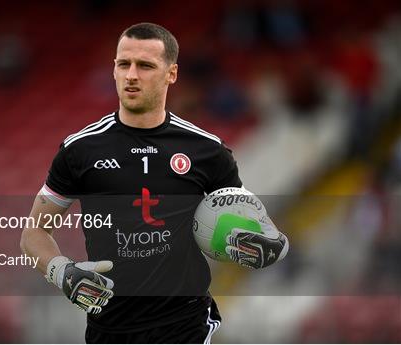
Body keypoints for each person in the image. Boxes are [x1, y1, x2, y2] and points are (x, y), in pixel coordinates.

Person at [20, 22, 289, 344]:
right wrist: (60, 270)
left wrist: (271, 247)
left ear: (171, 73)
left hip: (186, 325)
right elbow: (33, 232)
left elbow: (263, 231)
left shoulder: (207, 151)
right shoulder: (80, 150)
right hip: (109, 326)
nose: (132, 75)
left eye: (145, 65)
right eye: (124, 64)